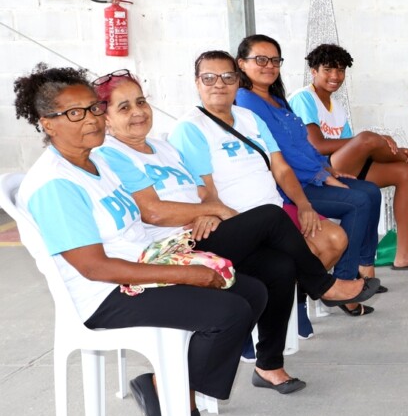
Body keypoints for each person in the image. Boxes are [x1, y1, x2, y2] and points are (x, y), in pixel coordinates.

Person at [13, 64, 263, 416]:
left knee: (252, 291)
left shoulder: (97, 160)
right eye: (75, 113)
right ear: (48, 124)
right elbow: (95, 268)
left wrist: (182, 253)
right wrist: (186, 274)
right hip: (105, 294)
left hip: (142, 266)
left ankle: (167, 385)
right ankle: (171, 392)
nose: (91, 119)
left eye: (94, 108)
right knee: (229, 312)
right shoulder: (56, 184)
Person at [93, 70, 377, 393]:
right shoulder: (111, 154)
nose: (138, 112)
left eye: (141, 102)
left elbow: (201, 190)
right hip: (170, 249)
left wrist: (207, 210)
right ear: (105, 118)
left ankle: (269, 365)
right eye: (124, 107)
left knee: (280, 267)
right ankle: (323, 285)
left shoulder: (162, 148)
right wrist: (214, 211)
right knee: (271, 217)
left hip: (198, 233)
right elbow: (153, 211)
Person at [170, 51, 377, 318]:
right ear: (197, 82)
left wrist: (304, 205)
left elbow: (280, 167)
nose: (219, 84)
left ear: (237, 80)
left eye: (227, 77)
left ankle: (294, 300)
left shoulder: (250, 118)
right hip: (238, 218)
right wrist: (228, 219)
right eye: (209, 78)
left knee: (334, 238)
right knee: (289, 251)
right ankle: (319, 290)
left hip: (275, 209)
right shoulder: (190, 127)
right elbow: (205, 189)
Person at [233, 35, 384, 297]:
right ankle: (344, 282)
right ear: (241, 64)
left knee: (370, 191)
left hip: (310, 175)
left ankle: (363, 266)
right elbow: (283, 151)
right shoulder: (246, 99)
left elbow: (302, 142)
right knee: (357, 202)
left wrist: (328, 169)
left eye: (275, 60)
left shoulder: (276, 99)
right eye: (261, 60)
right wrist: (321, 175)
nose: (269, 66)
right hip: (290, 184)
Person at [289, 43, 408, 272]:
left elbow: (350, 148)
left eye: (340, 70)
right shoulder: (303, 98)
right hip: (319, 170)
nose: (335, 76)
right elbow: (318, 146)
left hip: (341, 165)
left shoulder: (336, 105)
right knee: (367, 138)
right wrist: (373, 140)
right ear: (314, 71)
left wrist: (375, 144)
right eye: (328, 70)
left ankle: (404, 254)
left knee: (404, 172)